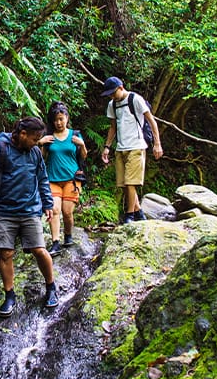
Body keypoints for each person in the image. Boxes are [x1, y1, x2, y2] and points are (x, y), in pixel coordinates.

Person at [0, 117, 59, 317]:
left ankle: (51, 287)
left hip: (30, 210)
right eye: (34, 138)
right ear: (22, 134)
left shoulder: (35, 153)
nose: (37, 142)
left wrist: (47, 203)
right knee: (5, 254)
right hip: (4, 211)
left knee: (39, 250)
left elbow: (42, 178)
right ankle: (10, 295)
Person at [100, 76, 164, 223]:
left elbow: (151, 121)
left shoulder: (135, 99)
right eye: (109, 94)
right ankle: (139, 212)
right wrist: (107, 147)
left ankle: (129, 215)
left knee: (131, 183)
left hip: (136, 146)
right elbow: (112, 127)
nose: (111, 96)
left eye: (113, 93)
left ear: (121, 87)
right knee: (123, 184)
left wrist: (157, 143)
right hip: (120, 148)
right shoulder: (112, 105)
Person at [39, 102, 87, 256]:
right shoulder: (49, 138)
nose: (58, 123)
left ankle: (68, 234)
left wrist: (82, 145)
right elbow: (42, 158)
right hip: (52, 179)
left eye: (61, 119)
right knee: (54, 210)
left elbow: (83, 156)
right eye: (55, 120)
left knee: (67, 212)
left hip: (71, 180)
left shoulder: (75, 135)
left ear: (67, 118)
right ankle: (55, 242)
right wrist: (41, 143)